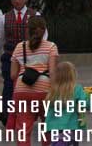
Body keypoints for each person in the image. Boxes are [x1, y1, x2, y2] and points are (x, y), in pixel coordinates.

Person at [10, 16, 58, 145]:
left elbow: (13, 75)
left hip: (22, 90)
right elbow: (53, 72)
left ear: (27, 31)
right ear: (44, 30)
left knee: (23, 130)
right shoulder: (51, 47)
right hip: (44, 90)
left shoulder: (19, 47)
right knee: (48, 127)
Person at [0, 0, 43, 119]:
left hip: (30, 57)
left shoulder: (35, 15)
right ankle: (6, 114)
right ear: (11, 1)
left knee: (31, 84)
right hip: (10, 56)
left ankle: (33, 113)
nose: (17, 1)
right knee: (9, 85)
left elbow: (44, 36)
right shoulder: (4, 18)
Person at [43, 61, 89, 146]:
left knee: (58, 142)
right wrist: (87, 95)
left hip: (54, 127)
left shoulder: (53, 90)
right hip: (72, 125)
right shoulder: (77, 89)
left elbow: (47, 105)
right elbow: (86, 104)